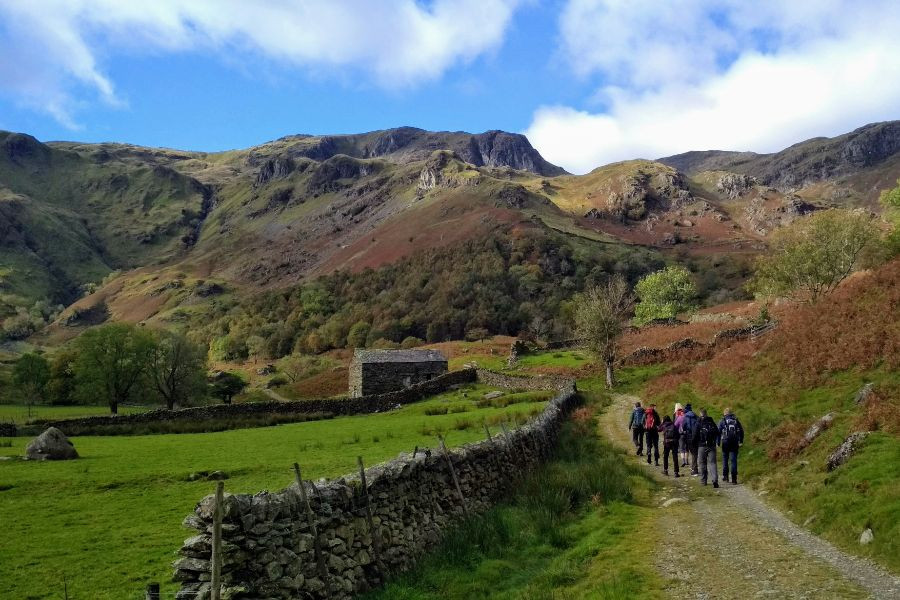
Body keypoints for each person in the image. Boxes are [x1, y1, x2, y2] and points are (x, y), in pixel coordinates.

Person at [693, 408, 720, 488]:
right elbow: (717, 432)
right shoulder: (711, 421)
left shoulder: (698, 422)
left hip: (701, 446)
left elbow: (694, 435)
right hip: (711, 446)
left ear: (700, 414)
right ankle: (715, 480)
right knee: (713, 463)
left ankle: (703, 481)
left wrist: (694, 444)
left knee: (702, 464)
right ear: (706, 414)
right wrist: (715, 442)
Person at [718, 407, 745, 484]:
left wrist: (718, 442)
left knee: (725, 459)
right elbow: (741, 431)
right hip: (734, 442)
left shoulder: (722, 421)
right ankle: (734, 479)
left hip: (725, 442)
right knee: (733, 460)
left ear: (725, 413)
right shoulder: (736, 420)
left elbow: (718, 432)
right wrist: (741, 441)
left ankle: (725, 477)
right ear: (731, 413)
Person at [679, 403, 700, 474]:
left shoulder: (685, 417)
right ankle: (695, 467)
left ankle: (694, 469)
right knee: (695, 453)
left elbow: (683, 427)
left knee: (693, 453)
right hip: (696, 437)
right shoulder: (696, 416)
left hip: (688, 437)